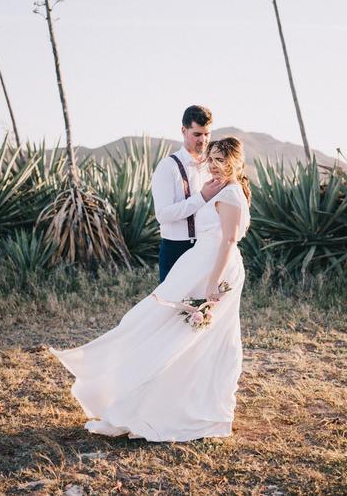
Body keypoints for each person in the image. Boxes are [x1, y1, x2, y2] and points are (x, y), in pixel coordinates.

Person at [49, 136, 251, 442]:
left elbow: (228, 240)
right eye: (210, 159)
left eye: (220, 160)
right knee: (174, 326)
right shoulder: (223, 190)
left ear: (235, 162)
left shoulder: (232, 194)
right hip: (201, 263)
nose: (213, 165)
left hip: (214, 269)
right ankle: (165, 398)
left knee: (199, 335)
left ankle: (186, 405)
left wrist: (212, 282)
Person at [151, 104, 225, 282]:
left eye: (207, 134)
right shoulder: (167, 167)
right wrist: (202, 197)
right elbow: (162, 215)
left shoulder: (211, 166)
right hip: (176, 249)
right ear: (183, 131)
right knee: (172, 308)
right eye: (197, 134)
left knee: (203, 307)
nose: (203, 140)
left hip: (207, 248)